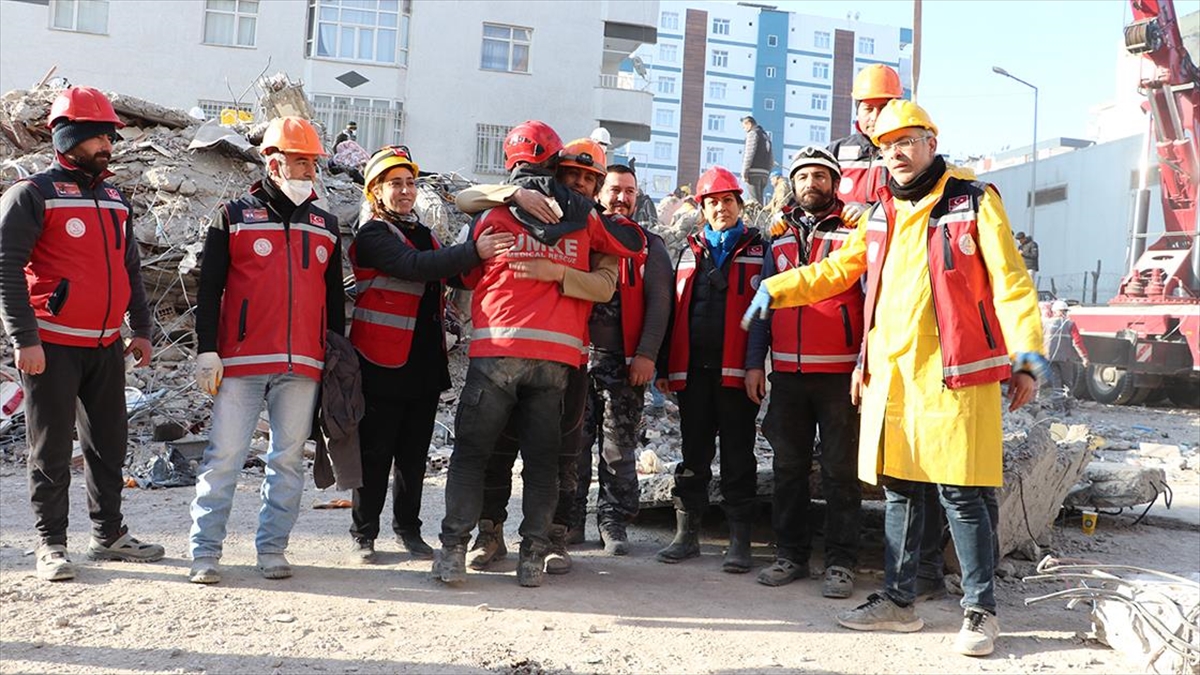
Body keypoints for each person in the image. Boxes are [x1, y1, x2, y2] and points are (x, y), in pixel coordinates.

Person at [743, 99, 1045, 657]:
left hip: (955, 373)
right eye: (887, 145)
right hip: (895, 376)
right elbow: (839, 270)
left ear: (931, 142)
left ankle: (981, 612)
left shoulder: (972, 200)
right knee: (901, 491)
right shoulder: (881, 211)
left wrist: (1028, 358)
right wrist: (777, 288)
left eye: (907, 141)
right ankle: (899, 601)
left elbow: (1012, 283)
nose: (897, 153)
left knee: (961, 494)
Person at [433, 122, 644, 588]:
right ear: (555, 165)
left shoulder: (491, 216)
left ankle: (452, 552)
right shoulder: (587, 222)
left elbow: (463, 275)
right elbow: (633, 244)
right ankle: (531, 559)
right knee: (543, 463)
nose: (582, 184)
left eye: (590, 178)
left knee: (471, 455)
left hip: (497, 351)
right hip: (555, 359)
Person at [0, 86, 164, 582]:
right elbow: (6, 269)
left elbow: (130, 268)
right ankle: (51, 544)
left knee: (109, 446)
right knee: (50, 450)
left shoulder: (114, 198)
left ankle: (108, 534)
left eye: (110, 137)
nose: (107, 146)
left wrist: (141, 329)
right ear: (68, 138)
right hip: (51, 345)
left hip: (106, 345)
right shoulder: (32, 194)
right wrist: (24, 339)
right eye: (98, 137)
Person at [188, 116, 345, 584]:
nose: (308, 170)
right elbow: (209, 288)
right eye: (299, 161)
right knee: (225, 457)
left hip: (304, 365)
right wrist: (206, 350)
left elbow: (334, 302)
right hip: (241, 362)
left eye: (312, 162)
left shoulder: (326, 225)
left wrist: (334, 358)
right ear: (273, 163)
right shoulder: (233, 216)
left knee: (287, 460)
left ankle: (273, 548)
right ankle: (204, 552)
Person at [346, 145, 514, 563]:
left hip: (422, 364)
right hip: (379, 363)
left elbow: (454, 273)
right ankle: (364, 534)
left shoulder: (426, 234)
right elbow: (415, 266)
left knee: (413, 457)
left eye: (410, 183)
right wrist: (474, 251)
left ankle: (408, 530)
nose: (406, 191)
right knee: (375, 453)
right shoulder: (372, 236)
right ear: (375, 191)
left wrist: (482, 246)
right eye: (395, 184)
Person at [744, 146, 863, 598]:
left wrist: (864, 363)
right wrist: (755, 362)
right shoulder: (777, 238)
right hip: (788, 376)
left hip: (839, 376)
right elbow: (763, 302)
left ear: (835, 183)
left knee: (840, 473)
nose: (811, 183)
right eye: (803, 177)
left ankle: (841, 563)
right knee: (788, 469)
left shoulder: (855, 232)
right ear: (792, 185)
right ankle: (790, 555)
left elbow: (871, 301)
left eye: (820, 176)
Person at [655, 165, 765, 573]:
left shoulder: (761, 251)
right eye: (713, 202)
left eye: (728, 201)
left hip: (737, 373)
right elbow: (672, 312)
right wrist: (665, 366)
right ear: (703, 208)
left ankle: (739, 541)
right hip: (694, 372)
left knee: (738, 457)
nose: (721, 208)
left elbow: (767, 314)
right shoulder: (689, 251)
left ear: (740, 205)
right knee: (693, 455)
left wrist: (758, 365)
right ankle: (686, 536)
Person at [574, 163, 673, 555]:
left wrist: (647, 355)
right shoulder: (581, 236)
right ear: (600, 193)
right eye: (615, 190)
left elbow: (660, 303)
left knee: (618, 448)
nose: (622, 198)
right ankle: (569, 520)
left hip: (625, 361)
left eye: (629, 191)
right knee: (572, 444)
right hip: (578, 357)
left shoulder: (650, 245)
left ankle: (613, 522)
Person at [828, 64, 904, 221]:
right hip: (843, 235)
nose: (875, 117)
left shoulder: (907, 151)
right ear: (857, 111)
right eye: (868, 109)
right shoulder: (835, 151)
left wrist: (872, 211)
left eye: (883, 108)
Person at [1042, 299, 1088, 395]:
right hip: (1065, 359)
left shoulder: (1045, 323)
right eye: (1064, 311)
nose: (1065, 313)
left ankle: (1058, 402)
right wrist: (1084, 358)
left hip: (1049, 358)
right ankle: (1066, 401)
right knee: (1067, 383)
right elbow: (1077, 342)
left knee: (1056, 382)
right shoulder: (1069, 324)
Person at [741, 116, 773, 204]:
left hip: (754, 172)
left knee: (754, 201)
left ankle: (757, 214)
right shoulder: (765, 136)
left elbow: (749, 153)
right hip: (764, 172)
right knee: (759, 200)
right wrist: (768, 172)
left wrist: (744, 173)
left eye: (744, 127)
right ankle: (761, 213)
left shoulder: (753, 133)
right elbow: (771, 157)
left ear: (749, 124)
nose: (744, 130)